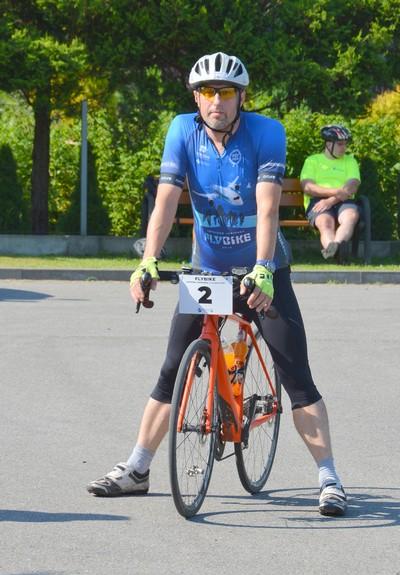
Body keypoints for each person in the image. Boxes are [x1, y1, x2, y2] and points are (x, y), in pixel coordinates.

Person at [87, 52, 347, 516]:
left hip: (262, 271)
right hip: (206, 268)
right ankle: (138, 468)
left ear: (241, 97)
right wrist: (147, 262)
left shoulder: (267, 132)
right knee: (172, 367)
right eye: (207, 92)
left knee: (296, 375)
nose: (216, 102)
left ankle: (329, 478)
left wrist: (263, 267)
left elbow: (267, 207)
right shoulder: (181, 131)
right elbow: (166, 201)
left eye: (226, 93)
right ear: (196, 97)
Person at [300, 125, 361, 261]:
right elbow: (308, 187)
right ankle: (337, 251)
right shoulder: (312, 161)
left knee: (350, 216)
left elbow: (352, 186)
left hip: (343, 201)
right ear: (328, 144)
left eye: (345, 144)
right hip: (318, 201)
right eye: (340, 144)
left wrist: (330, 200)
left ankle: (335, 248)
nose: (344, 148)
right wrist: (337, 192)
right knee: (325, 223)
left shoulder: (350, 161)